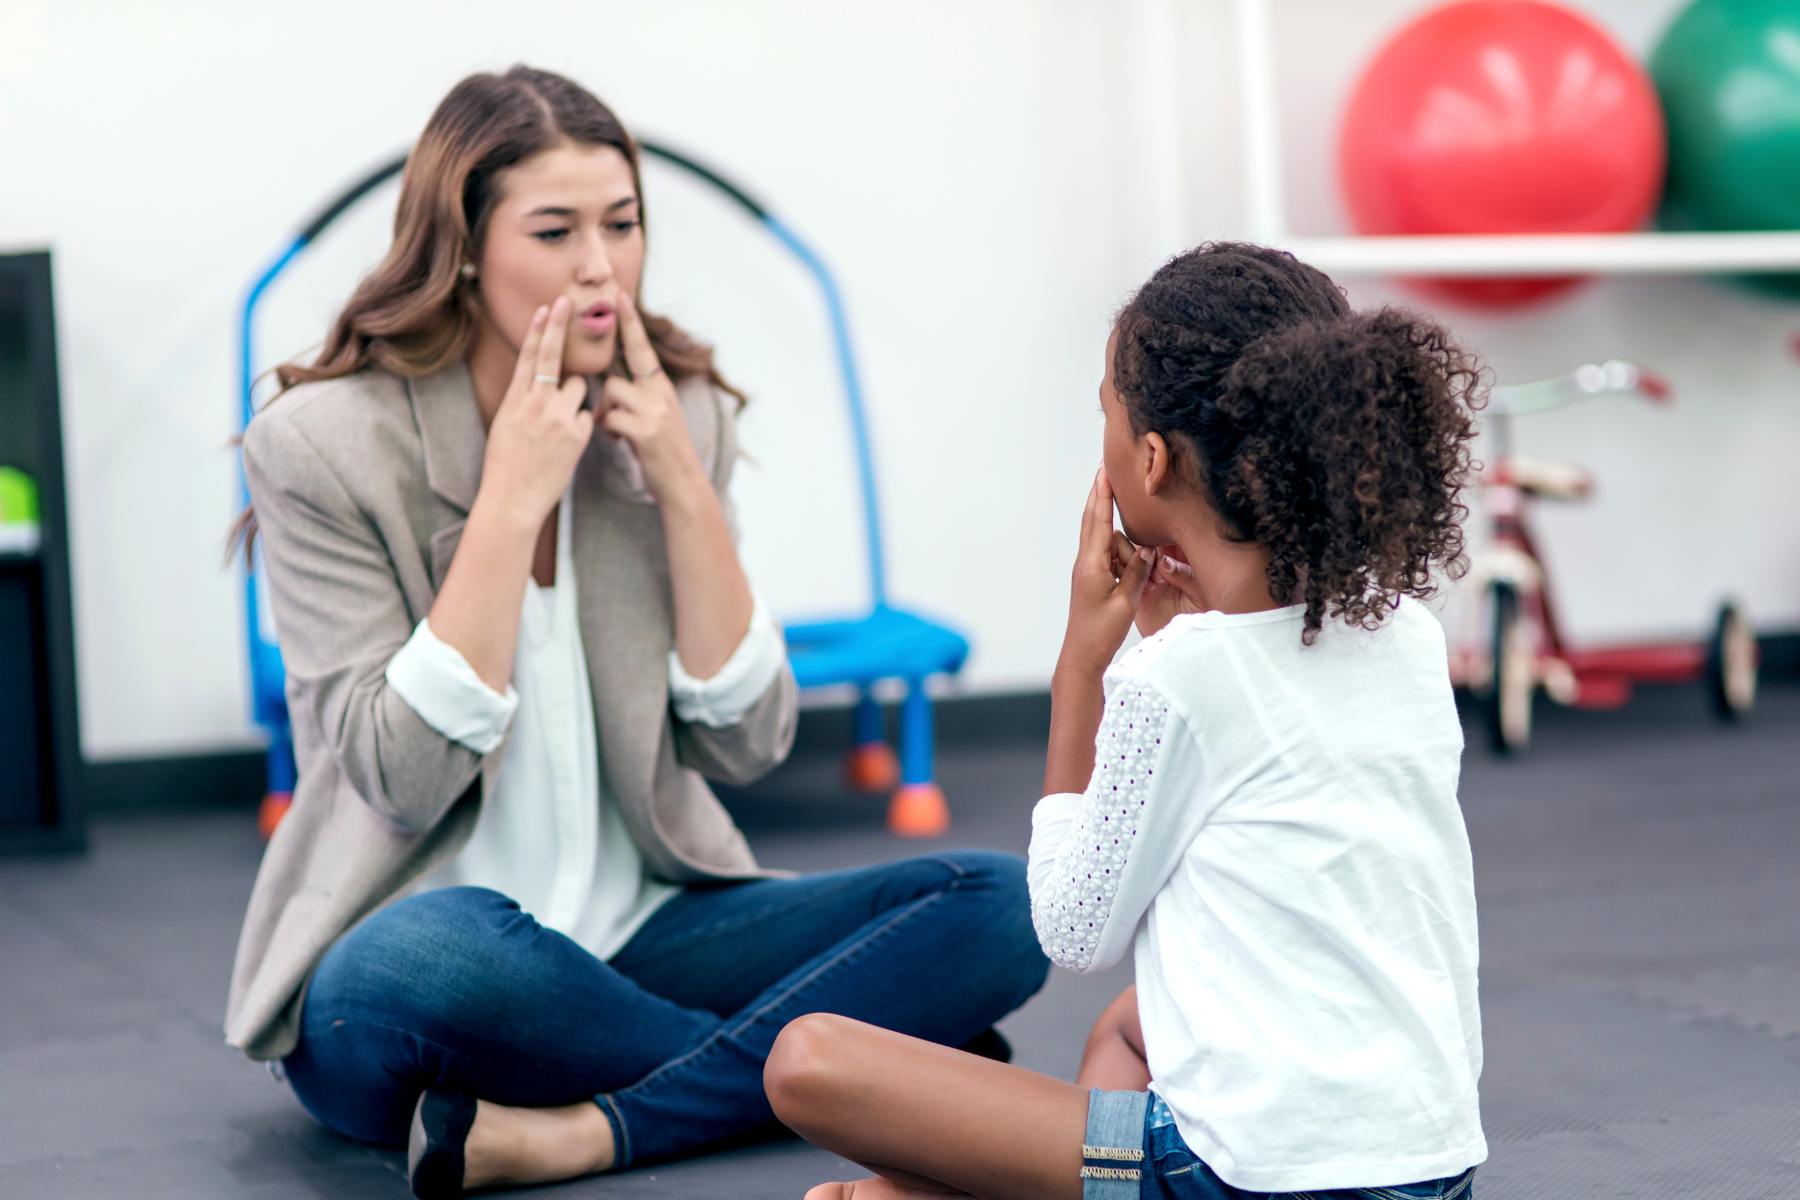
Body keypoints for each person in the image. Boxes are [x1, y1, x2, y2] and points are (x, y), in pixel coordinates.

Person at [224, 65, 1047, 1199]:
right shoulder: (322, 443)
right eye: (555, 230)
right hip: (419, 946)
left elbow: (747, 745)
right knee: (435, 957)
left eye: (623, 224)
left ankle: (596, 1126)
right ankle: (850, 1062)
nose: (601, 265)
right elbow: (400, 778)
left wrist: (676, 479)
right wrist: (511, 497)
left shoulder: (679, 411)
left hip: (646, 926)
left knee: (1002, 905)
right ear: (463, 247)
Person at [765, 242, 1487, 1200]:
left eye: (1105, 409)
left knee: (807, 1061)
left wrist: (1084, 668)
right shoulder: (1403, 633)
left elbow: (1072, 928)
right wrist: (1183, 648)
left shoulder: (1177, 676)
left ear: (1150, 460)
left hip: (1254, 1181)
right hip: (1430, 1173)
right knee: (1129, 1025)